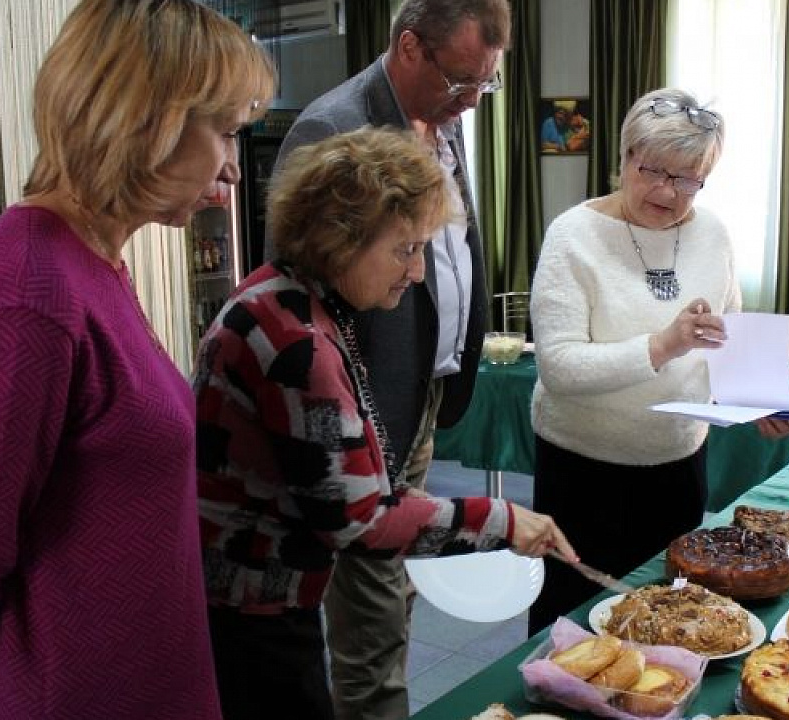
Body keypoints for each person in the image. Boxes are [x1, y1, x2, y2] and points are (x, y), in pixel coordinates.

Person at [0, 2, 274, 719]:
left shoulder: (87, 265)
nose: (233, 167)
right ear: (149, 120)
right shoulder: (29, 293)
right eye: (227, 132)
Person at [196, 125, 574, 720]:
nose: (419, 271)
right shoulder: (296, 344)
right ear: (340, 238)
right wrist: (500, 518)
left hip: (249, 597)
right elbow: (362, 521)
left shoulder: (286, 296)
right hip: (255, 613)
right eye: (406, 248)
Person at [270, 2, 509, 718]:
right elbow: (298, 294)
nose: (470, 101)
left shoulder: (444, 113)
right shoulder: (332, 127)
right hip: (359, 399)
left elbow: (452, 253)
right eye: (462, 81)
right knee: (372, 605)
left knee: (392, 587)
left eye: (484, 87)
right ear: (409, 47)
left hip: (420, 391)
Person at [526, 88, 789, 635]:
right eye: (654, 171)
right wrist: (663, 345)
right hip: (584, 474)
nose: (668, 191)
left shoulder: (713, 232)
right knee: (574, 627)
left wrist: (753, 400)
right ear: (626, 156)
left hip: (676, 467)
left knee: (672, 619)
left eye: (688, 178)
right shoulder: (573, 235)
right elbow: (558, 367)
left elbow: (727, 333)